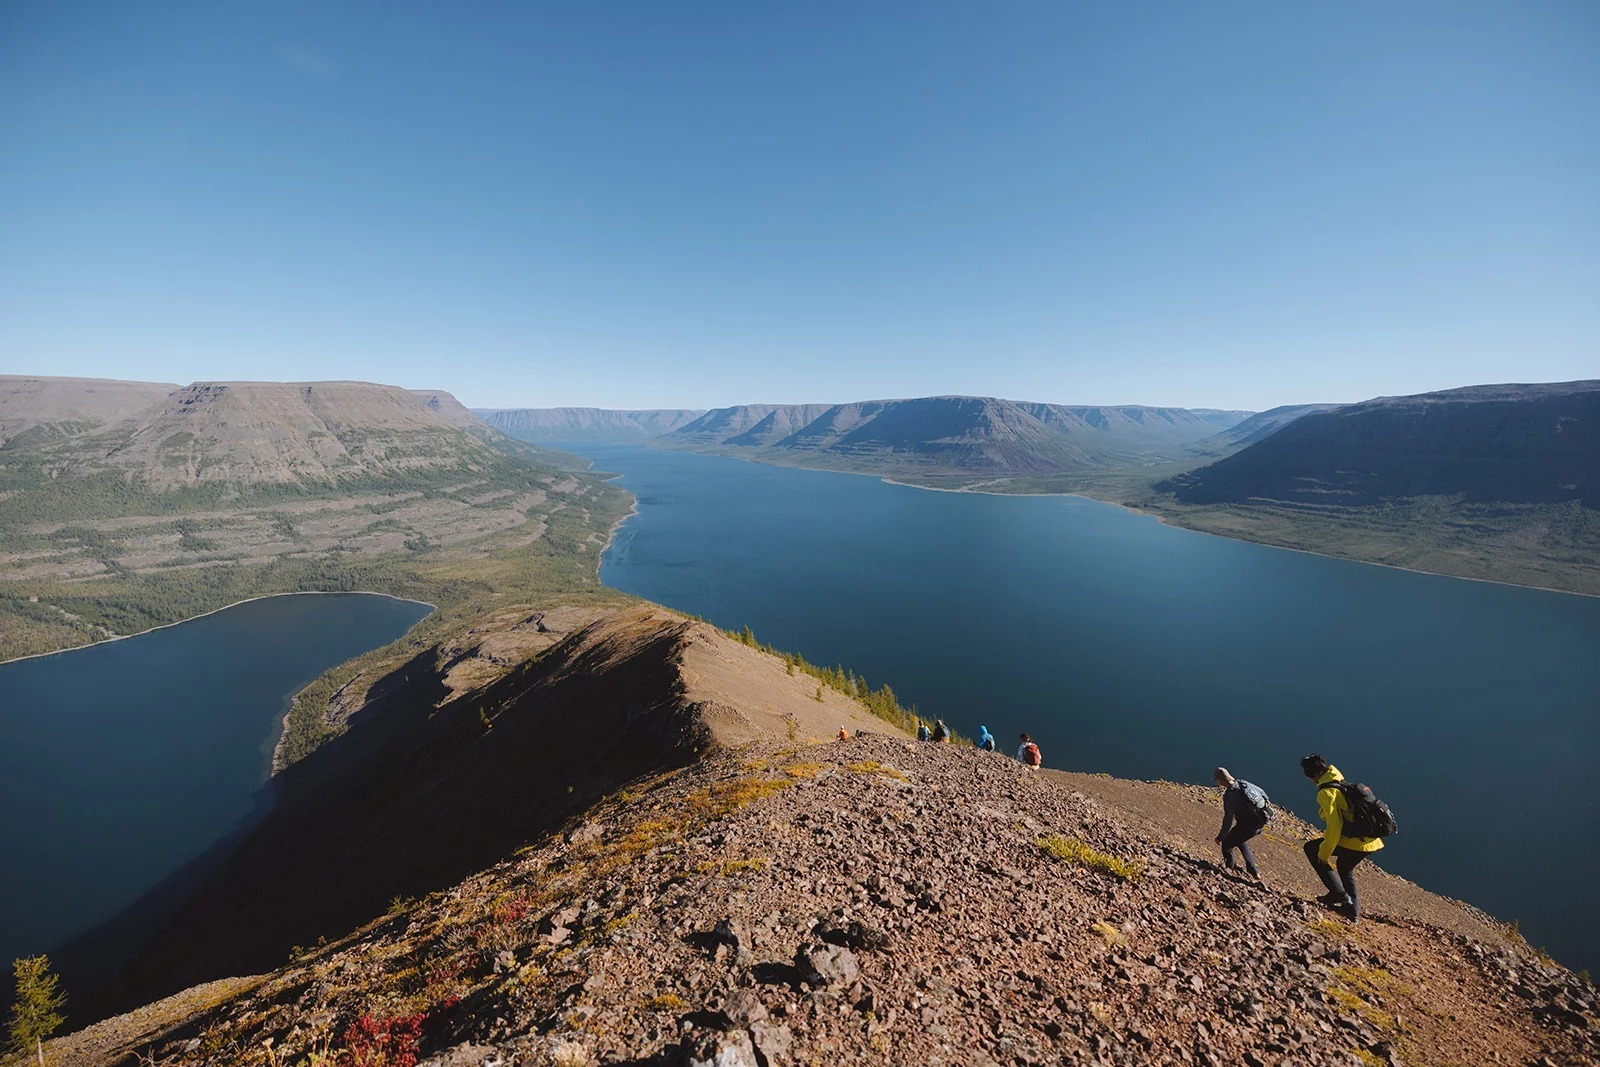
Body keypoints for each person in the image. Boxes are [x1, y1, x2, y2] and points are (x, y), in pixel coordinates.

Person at [1299, 753, 1384, 922]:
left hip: (1356, 842)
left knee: (1312, 849)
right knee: (1345, 867)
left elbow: (1334, 827)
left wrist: (1324, 854)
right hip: (1371, 841)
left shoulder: (1327, 793)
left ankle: (1339, 895)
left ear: (1312, 776)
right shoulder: (1341, 783)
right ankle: (1352, 910)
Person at [1212, 767, 1267, 879]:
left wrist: (1220, 837)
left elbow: (1228, 819)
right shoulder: (1243, 783)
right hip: (1258, 823)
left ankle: (1229, 871)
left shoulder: (1230, 796)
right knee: (1240, 840)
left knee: (1227, 844)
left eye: (1217, 779)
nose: (1217, 782)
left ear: (1221, 780)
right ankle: (1253, 871)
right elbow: (1262, 793)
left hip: (1247, 826)